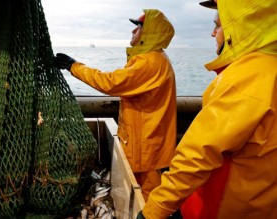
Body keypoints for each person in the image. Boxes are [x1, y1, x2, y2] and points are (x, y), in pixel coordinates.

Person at [139, 0, 277, 218]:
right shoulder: (270, 70)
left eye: (219, 26)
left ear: (241, 27)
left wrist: (153, 210)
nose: (214, 34)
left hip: (217, 210)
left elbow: (198, 154)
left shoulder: (246, 77)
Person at [54, 9, 177, 202]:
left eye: (137, 28)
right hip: (148, 142)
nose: (132, 32)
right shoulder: (155, 59)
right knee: (145, 194)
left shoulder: (149, 62)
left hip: (146, 146)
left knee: (147, 198)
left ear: (149, 33)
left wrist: (73, 66)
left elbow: (110, 82)